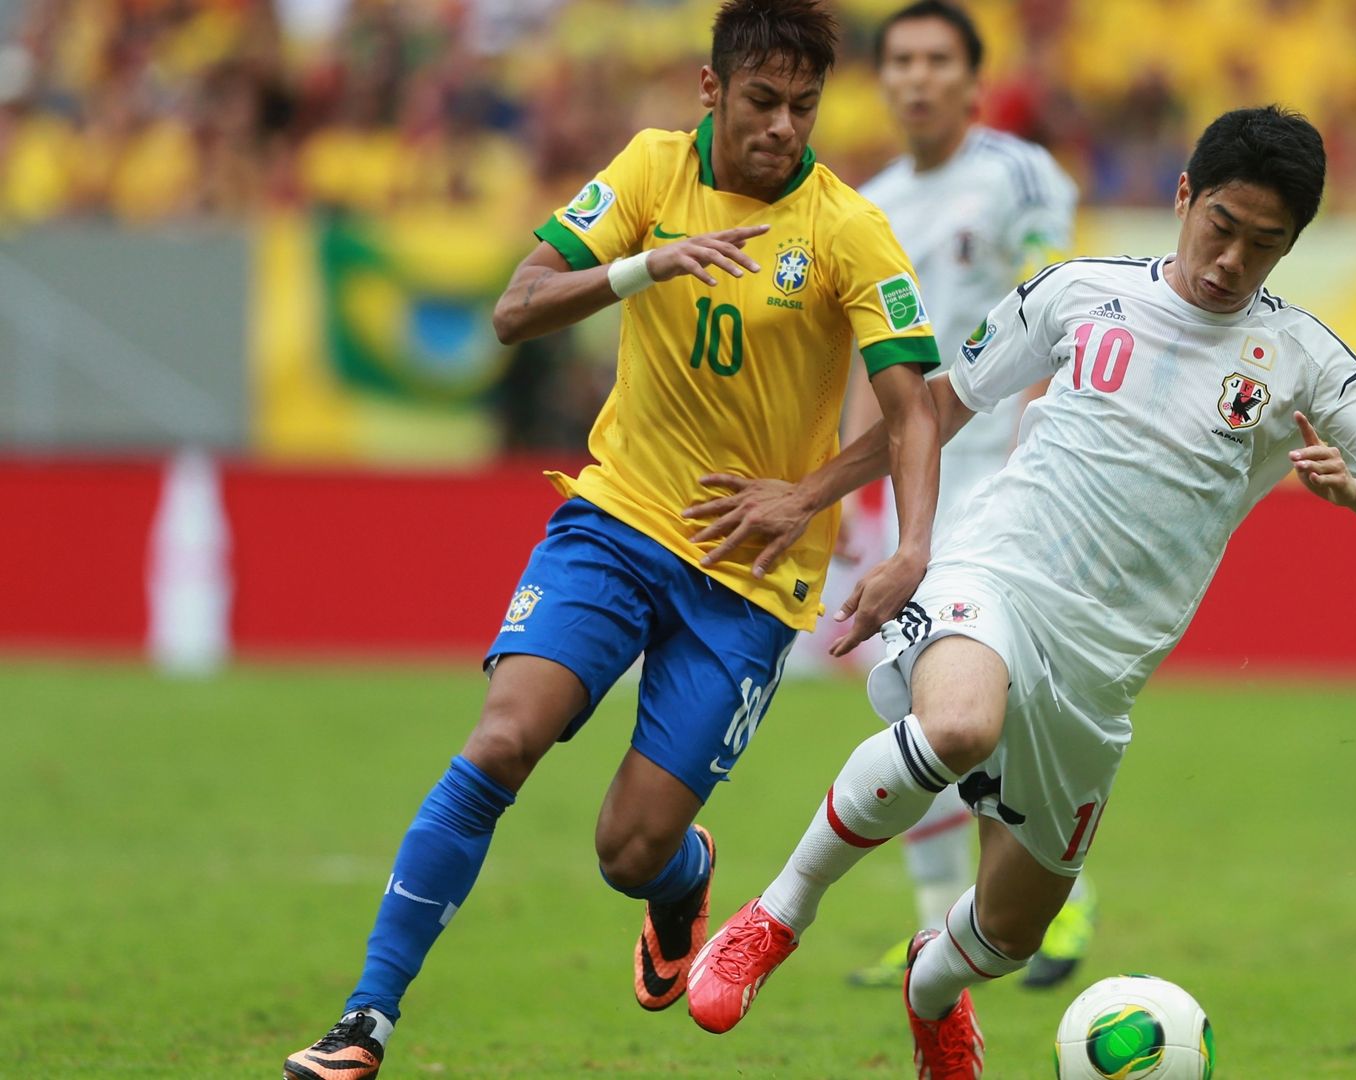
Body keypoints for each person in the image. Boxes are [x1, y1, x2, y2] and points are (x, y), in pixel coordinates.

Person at [681, 105, 1356, 1077]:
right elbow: (938, 408)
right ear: (1183, 198)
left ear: (1292, 244)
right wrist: (819, 498)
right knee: (956, 726)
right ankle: (775, 916)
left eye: (1264, 244)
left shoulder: (1305, 359)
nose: (1230, 261)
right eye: (1220, 227)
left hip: (1102, 674)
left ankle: (932, 989)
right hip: (999, 569)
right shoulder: (1080, 294)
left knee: (1010, 932)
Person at [281, 2, 944, 1077]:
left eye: (805, 107)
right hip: (618, 521)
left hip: (749, 579)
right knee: (502, 739)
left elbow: (916, 409)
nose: (784, 126)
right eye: (764, 101)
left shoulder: (846, 230)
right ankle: (365, 1021)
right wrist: (647, 265)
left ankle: (679, 880)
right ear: (711, 91)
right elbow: (517, 307)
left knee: (626, 848)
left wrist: (869, 527)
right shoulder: (647, 172)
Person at [836, 0, 1094, 992]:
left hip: (999, 475)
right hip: (908, 486)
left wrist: (1039, 450)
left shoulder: (1022, 175)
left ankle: (1059, 897)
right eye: (900, 59)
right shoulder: (871, 203)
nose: (917, 76)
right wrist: (854, 486)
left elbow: (1054, 312)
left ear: (973, 80)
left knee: (995, 703)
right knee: (908, 696)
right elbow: (874, 356)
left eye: (938, 59)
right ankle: (932, 921)